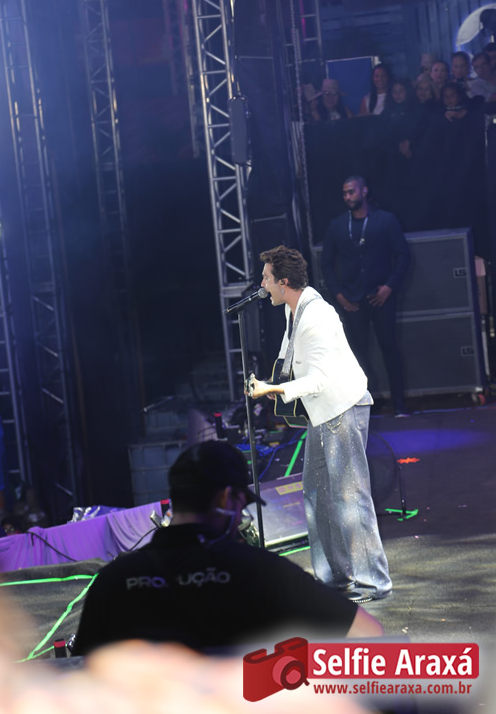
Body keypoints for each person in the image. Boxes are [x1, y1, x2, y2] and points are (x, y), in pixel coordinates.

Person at [72, 440, 383, 656]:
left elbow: (79, 672)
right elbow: (368, 634)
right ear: (225, 498)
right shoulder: (264, 572)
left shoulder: (113, 580)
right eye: (240, 504)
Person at [245, 247, 392, 604]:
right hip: (322, 414)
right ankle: (334, 579)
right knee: (316, 493)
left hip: (342, 407)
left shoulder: (317, 316)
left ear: (283, 282)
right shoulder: (294, 309)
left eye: (266, 278)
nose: (262, 285)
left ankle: (374, 581)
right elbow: (290, 356)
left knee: (349, 497)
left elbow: (320, 379)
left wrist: (273, 390)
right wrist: (270, 383)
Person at [321, 176, 410, 418]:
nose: (347, 197)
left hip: (380, 297)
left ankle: (399, 404)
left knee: (389, 349)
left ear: (364, 191)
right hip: (352, 301)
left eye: (351, 192)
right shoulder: (338, 225)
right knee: (356, 355)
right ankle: (367, 404)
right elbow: (326, 263)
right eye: (344, 193)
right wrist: (339, 295)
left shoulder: (385, 220)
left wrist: (389, 287)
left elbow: (403, 255)